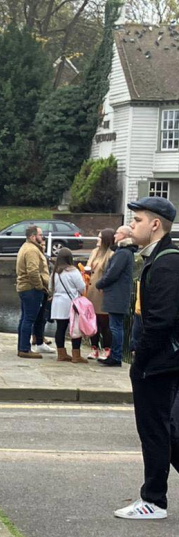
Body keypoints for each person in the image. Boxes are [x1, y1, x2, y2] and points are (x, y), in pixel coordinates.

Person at [113, 196, 179, 521]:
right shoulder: (158, 258)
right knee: (170, 433)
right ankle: (154, 498)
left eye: (137, 220)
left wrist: (139, 362)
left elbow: (162, 320)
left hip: (159, 365)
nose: (131, 225)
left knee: (154, 431)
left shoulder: (167, 261)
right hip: (162, 362)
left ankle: (153, 501)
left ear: (155, 225)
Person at [95, 226, 137, 367]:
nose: (115, 236)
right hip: (119, 293)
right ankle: (115, 355)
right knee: (116, 325)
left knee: (115, 327)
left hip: (116, 294)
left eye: (117, 233)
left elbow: (113, 273)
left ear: (124, 235)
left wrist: (100, 284)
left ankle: (115, 356)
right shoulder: (125, 252)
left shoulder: (122, 253)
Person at [16, 225, 50, 359]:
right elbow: (33, 271)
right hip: (31, 289)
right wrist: (40, 286)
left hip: (26, 288)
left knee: (25, 318)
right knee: (29, 319)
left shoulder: (27, 247)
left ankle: (22, 346)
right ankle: (24, 348)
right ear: (32, 236)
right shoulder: (31, 250)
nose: (42, 237)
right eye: (40, 234)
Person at [48, 248, 87, 364]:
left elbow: (51, 288)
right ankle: (76, 355)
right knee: (75, 328)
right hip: (71, 302)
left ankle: (61, 354)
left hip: (58, 302)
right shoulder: (74, 272)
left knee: (60, 328)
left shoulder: (55, 272)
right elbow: (81, 287)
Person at [85, 228, 115, 359]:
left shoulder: (111, 254)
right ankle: (94, 348)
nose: (97, 239)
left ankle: (107, 349)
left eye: (100, 237)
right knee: (93, 322)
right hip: (90, 292)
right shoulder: (94, 252)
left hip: (102, 293)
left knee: (104, 323)